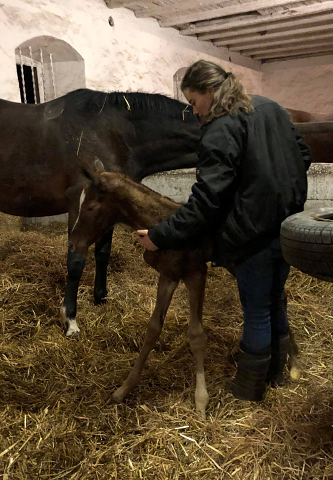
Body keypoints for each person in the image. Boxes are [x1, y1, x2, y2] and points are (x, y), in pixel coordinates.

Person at [136, 60, 312, 401]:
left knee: (257, 309)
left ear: (209, 92)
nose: (194, 111)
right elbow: (302, 154)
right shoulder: (270, 107)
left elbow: (207, 199)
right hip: (287, 226)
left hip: (251, 234)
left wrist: (159, 236)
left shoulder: (221, 127)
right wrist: (275, 184)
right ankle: (277, 374)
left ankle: (249, 390)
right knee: (275, 299)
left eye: (192, 102)